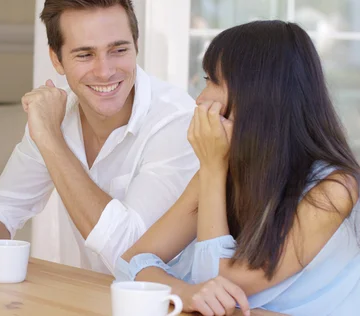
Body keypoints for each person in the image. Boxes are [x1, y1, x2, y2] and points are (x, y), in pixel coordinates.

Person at [116, 20, 360, 316]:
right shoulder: (223, 167)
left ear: (259, 93)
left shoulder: (335, 189)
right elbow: (132, 260)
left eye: (213, 81)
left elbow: (224, 286)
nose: (200, 98)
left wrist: (212, 167)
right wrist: (187, 293)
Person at [0, 0, 199, 274]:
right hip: (93, 297)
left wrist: (51, 140)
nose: (105, 71)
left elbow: (133, 256)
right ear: (56, 59)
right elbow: (6, 207)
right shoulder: (56, 112)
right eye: (85, 55)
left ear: (136, 45)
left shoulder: (177, 121)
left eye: (118, 50)